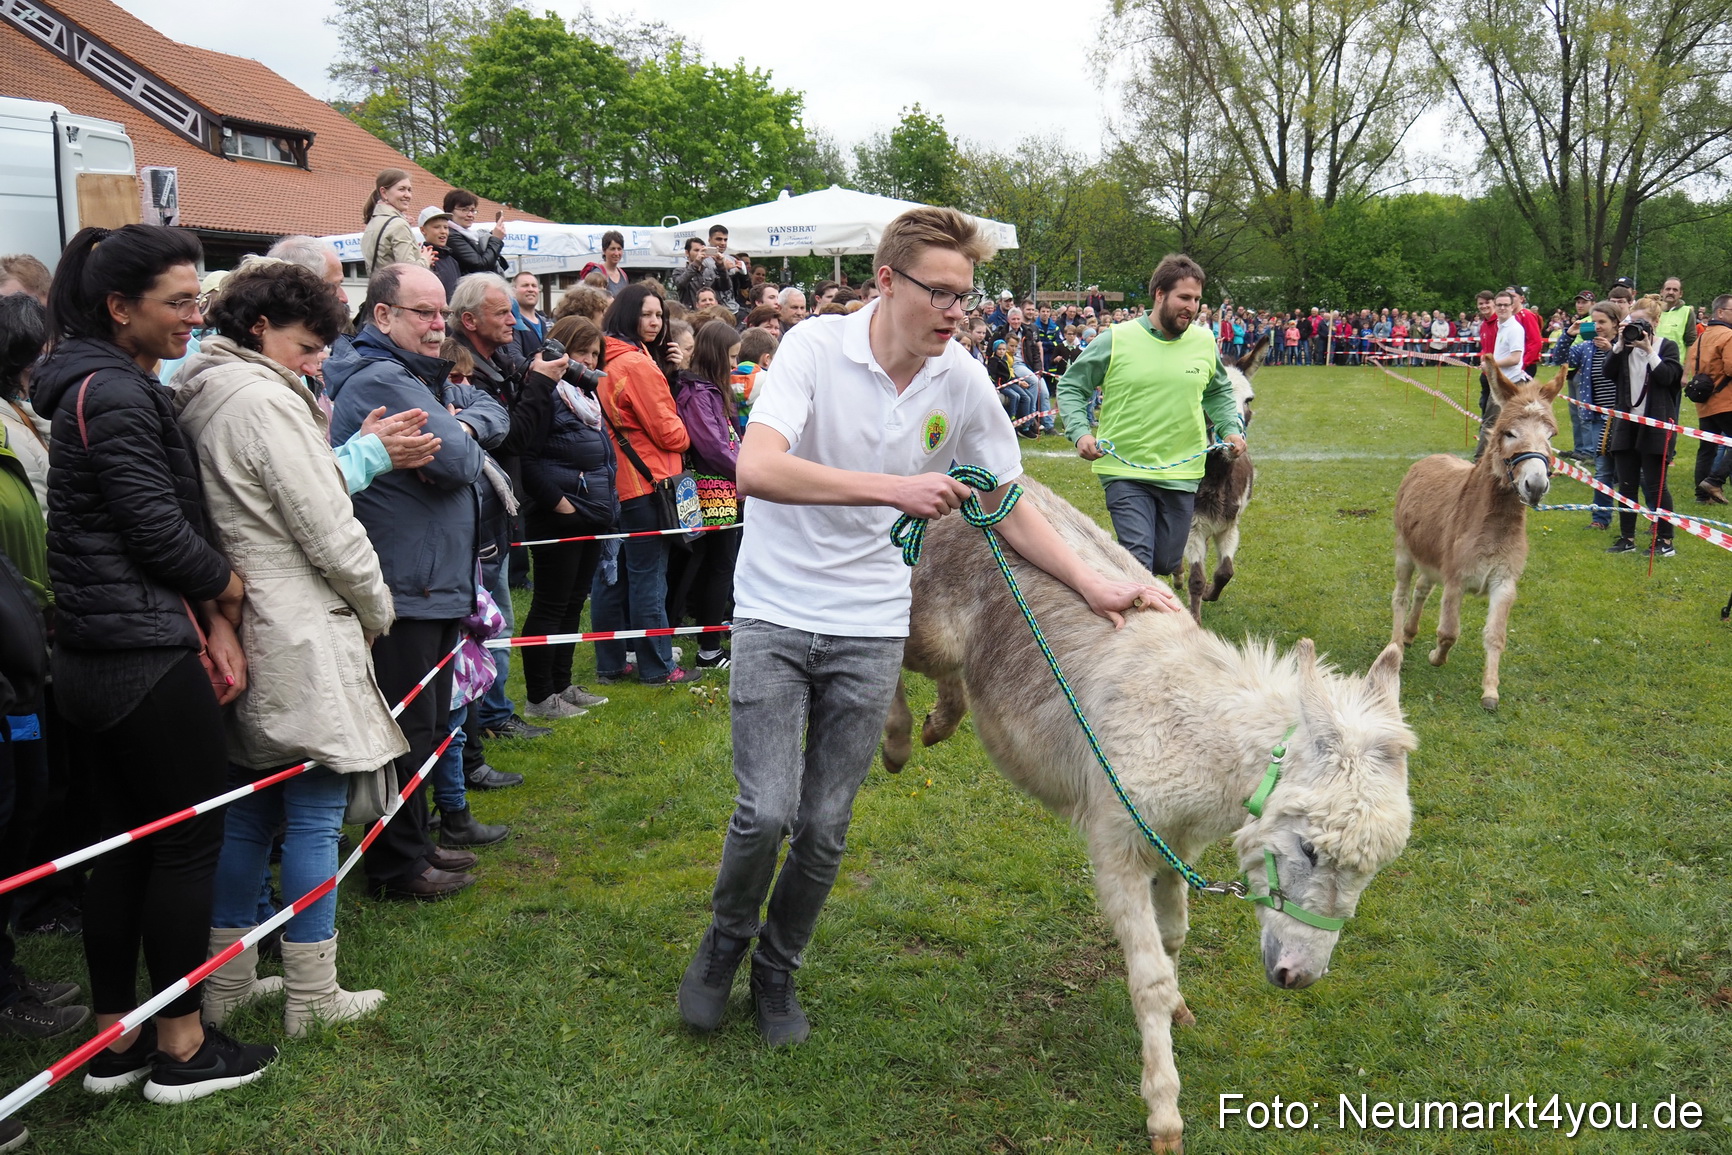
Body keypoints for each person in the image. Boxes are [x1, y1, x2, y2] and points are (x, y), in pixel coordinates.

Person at [675, 206, 1178, 1047]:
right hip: (775, 606)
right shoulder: (811, 350)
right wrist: (892, 489)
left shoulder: (962, 380)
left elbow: (1003, 503)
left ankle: (778, 968)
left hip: (869, 625)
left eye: (966, 296)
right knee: (766, 810)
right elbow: (756, 468)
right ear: (886, 281)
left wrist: (1095, 581)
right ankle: (723, 946)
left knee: (827, 824)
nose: (956, 311)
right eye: (939, 293)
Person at [33, 224, 277, 1100]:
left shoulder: (88, 384)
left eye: (197, 298)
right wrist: (230, 589)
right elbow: (157, 530)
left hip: (96, 655)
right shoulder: (119, 393)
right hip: (140, 653)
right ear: (119, 306)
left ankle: (115, 1038)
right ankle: (180, 1045)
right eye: (179, 301)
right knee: (184, 843)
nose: (194, 315)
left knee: (121, 850)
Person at [170, 261, 397, 1038]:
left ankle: (229, 984)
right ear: (260, 327)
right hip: (294, 622)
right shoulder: (265, 400)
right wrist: (376, 602)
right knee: (313, 810)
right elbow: (327, 522)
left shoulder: (203, 387)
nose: (318, 362)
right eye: (308, 345)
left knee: (250, 808)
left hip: (242, 621)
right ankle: (312, 992)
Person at [325, 263, 509, 900]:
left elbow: (487, 419)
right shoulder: (381, 376)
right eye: (423, 314)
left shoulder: (411, 375)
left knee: (427, 728)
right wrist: (461, 433)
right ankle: (397, 866)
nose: (440, 326)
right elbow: (459, 463)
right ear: (382, 316)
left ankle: (418, 844)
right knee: (406, 733)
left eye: (441, 313)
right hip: (407, 583)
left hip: (428, 579)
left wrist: (461, 424)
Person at [1055, 254, 1248, 579]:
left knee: (1165, 562)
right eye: (1184, 297)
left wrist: (1230, 428)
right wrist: (1080, 432)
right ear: (1159, 294)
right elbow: (1072, 386)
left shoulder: (1203, 342)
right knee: (1139, 561)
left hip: (1182, 472)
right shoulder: (1116, 340)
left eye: (1197, 299)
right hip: (1125, 469)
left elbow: (1217, 392)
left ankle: (1111, 578)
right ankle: (1125, 620)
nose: (1192, 306)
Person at [590, 283, 702, 686]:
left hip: (613, 480)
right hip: (646, 481)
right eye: (646, 315)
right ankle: (657, 666)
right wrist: (688, 432)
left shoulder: (603, 355)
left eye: (659, 315)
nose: (655, 323)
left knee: (611, 574)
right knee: (647, 576)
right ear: (627, 316)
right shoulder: (636, 364)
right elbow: (670, 434)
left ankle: (611, 662)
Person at [518, 315, 616, 719]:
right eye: (582, 352)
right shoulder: (545, 394)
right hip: (560, 516)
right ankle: (540, 696)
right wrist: (561, 504)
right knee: (550, 604)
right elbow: (526, 457)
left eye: (595, 354)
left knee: (574, 603)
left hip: (590, 514)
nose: (590, 361)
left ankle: (562, 683)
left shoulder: (586, 400)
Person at [666, 321, 741, 669]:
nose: (734, 365)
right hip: (712, 491)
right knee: (714, 567)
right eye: (732, 357)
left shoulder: (710, 390)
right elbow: (712, 447)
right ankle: (708, 648)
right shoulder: (698, 393)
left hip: (724, 486)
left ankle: (696, 640)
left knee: (713, 566)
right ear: (716, 355)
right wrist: (747, 474)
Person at [1604, 297, 1684, 556]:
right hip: (1627, 424)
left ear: (1656, 323)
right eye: (1633, 322)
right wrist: (1617, 346)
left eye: (1644, 323)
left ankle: (1665, 541)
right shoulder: (1624, 349)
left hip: (1656, 425)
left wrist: (1650, 351)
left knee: (1655, 485)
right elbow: (1608, 372)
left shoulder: (1667, 347)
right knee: (1626, 485)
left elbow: (1668, 378)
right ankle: (1626, 538)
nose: (1638, 327)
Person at [1686, 293, 1732, 505]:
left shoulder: (1701, 337)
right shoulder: (1728, 336)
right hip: (1726, 401)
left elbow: (1688, 372)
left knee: (1707, 448)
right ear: (1721, 312)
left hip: (1704, 402)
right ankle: (1715, 480)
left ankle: (1701, 497)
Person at [360, 169, 431, 274]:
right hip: (397, 289)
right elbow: (409, 271)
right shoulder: (398, 225)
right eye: (402, 189)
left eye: (409, 190)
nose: (408, 195)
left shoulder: (372, 223)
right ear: (384, 192)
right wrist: (425, 259)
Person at [443, 188, 508, 276]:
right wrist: (496, 240)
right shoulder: (450, 235)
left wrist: (491, 238)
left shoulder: (470, 235)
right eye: (464, 210)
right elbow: (480, 266)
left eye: (473, 210)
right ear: (449, 211)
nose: (470, 215)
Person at [418, 206, 460, 298]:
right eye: (437, 227)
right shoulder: (422, 261)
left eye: (446, 227)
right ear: (423, 230)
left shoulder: (452, 261)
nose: (443, 231)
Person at [579, 230, 631, 298]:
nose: (616, 253)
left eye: (619, 249)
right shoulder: (597, 273)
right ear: (604, 251)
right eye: (612, 249)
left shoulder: (623, 275)